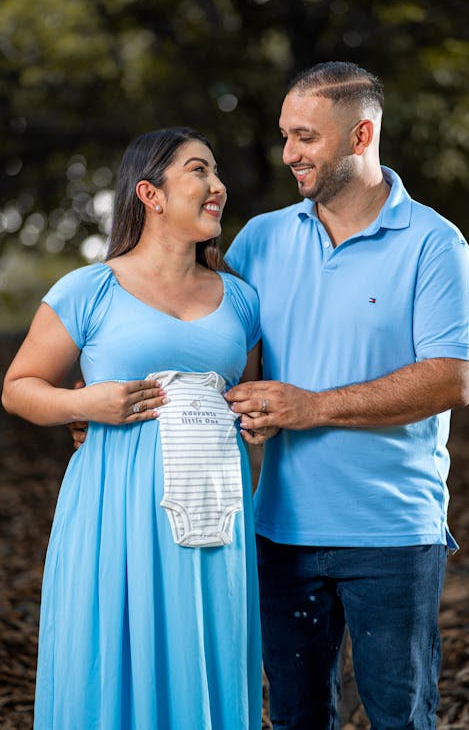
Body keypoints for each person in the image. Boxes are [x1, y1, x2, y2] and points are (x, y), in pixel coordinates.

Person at [224, 62, 469, 730]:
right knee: (296, 718)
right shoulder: (260, 240)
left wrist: (310, 406)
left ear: (361, 133)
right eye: (285, 136)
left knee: (402, 719)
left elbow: (451, 378)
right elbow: (228, 366)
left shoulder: (435, 243)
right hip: (281, 532)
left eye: (305, 137)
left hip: (392, 536)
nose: (288, 154)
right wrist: (116, 405)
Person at [1, 127, 271, 730]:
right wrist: (87, 404)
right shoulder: (88, 290)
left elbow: (249, 399)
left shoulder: (242, 299)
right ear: (149, 194)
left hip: (215, 515)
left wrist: (257, 420)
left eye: (217, 172)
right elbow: (18, 389)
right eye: (199, 171)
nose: (218, 186)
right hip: (113, 512)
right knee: (114, 659)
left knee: (206, 654)